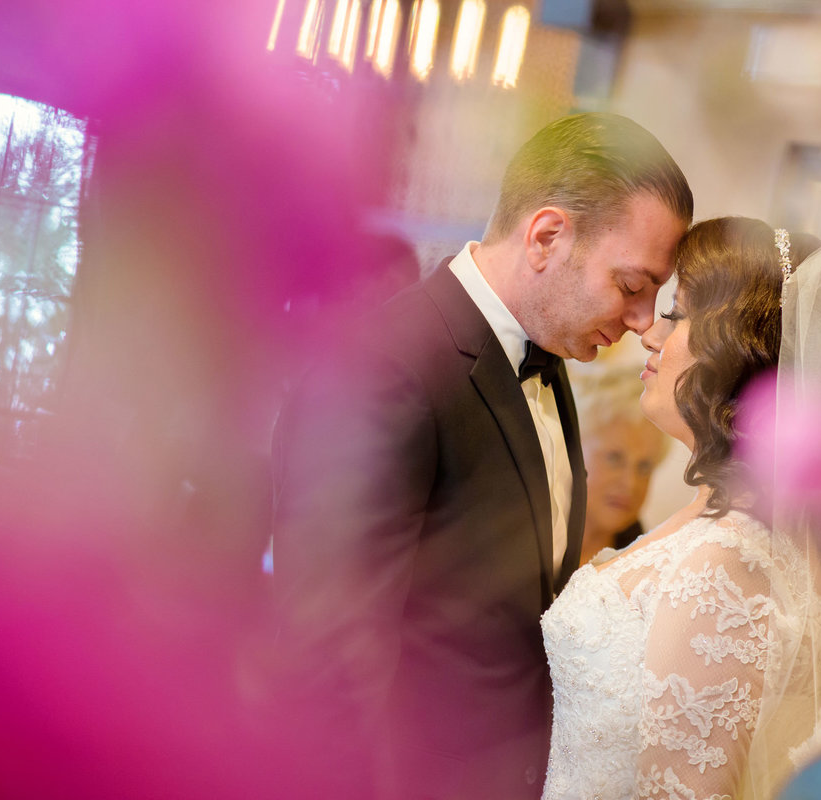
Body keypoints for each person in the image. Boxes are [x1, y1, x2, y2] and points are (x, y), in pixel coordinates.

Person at [270, 113, 691, 800]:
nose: (645, 322)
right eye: (631, 286)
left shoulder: (549, 360)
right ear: (547, 237)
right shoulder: (382, 370)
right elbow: (327, 667)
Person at [541, 217, 821, 800]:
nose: (650, 333)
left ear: (738, 356)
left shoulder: (725, 563)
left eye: (678, 315)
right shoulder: (755, 539)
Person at [576, 373, 671, 563]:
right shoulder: (521, 534)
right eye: (614, 458)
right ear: (575, 449)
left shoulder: (646, 568)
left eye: (644, 467)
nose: (630, 484)